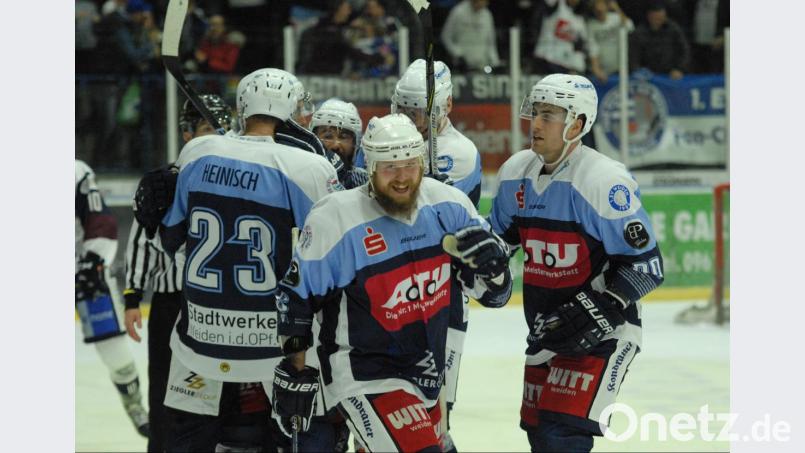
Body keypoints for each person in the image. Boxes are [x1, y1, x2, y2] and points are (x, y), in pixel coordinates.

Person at [271, 113, 513, 452]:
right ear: (369, 167)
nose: (402, 177)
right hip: (362, 372)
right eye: (389, 167)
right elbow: (297, 299)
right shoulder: (336, 217)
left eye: (410, 164)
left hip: (426, 371)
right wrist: (294, 369)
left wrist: (496, 270)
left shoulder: (449, 205)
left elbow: (495, 296)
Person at [156, 68, 342, 451]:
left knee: (189, 439)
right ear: (292, 113)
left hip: (199, 339)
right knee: (301, 436)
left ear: (242, 108)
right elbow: (334, 253)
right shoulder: (307, 167)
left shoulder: (197, 152)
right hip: (274, 344)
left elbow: (170, 239)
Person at [488, 74, 664, 452]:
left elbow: (647, 266)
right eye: (536, 113)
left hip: (604, 332)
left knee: (560, 435)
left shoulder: (603, 181)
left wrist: (603, 306)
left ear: (577, 124)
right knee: (540, 434)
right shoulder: (514, 174)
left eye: (548, 116)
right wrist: (480, 257)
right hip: (545, 330)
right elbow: (500, 243)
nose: (535, 124)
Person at [122, 94, 233, 453]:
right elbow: (140, 241)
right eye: (206, 128)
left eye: (221, 128)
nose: (215, 135)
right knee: (165, 389)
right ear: (187, 133)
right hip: (173, 304)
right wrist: (133, 296)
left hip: (225, 306)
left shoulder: (238, 180)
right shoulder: (165, 182)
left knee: (226, 394)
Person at [391, 58, 482, 450]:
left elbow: (430, 222)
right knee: (388, 405)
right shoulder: (386, 139)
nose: (411, 120)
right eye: (405, 109)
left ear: (445, 108)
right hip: (391, 288)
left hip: (442, 294)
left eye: (418, 112)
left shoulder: (460, 153)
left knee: (436, 414)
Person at [75, 159, 150, 438]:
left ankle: (134, 404)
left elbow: (100, 220)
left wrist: (94, 259)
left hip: (82, 270)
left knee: (115, 352)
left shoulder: (75, 171)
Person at [629, 0, 690, 80]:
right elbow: (633, 56)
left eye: (661, 18)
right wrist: (637, 70)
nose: (659, 21)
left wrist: (679, 69)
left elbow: (684, 50)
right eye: (656, 18)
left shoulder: (673, 30)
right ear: (649, 16)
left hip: (670, 74)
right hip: (647, 76)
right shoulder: (639, 33)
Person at [309, 98, 367, 178]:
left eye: (344, 137)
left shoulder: (363, 181)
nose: (335, 145)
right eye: (328, 136)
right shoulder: (301, 178)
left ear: (356, 143)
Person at [532, 0, 592, 75]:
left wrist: (577, 66)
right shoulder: (556, 4)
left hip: (565, 63)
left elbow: (582, 44)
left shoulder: (580, 18)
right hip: (546, 58)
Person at [440, 0, 501, 73]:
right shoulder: (458, 12)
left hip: (482, 66)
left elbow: (491, 42)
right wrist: (457, 53)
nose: (485, 3)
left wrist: (495, 62)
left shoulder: (487, 15)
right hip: (462, 66)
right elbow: (445, 37)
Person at [586, 0, 634, 82]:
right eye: (596, 7)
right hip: (602, 71)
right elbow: (592, 48)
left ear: (607, 6)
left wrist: (617, 8)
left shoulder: (616, 18)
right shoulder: (591, 25)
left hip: (619, 69)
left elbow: (630, 27)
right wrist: (597, 70)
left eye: (601, 5)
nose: (599, 9)